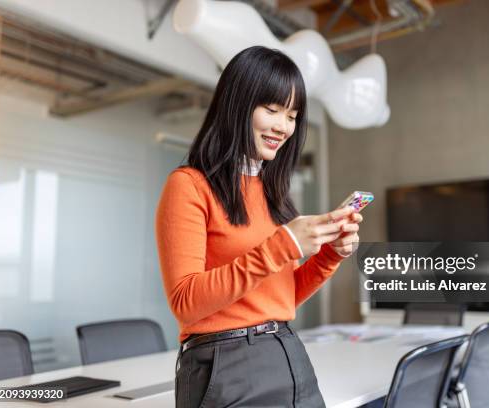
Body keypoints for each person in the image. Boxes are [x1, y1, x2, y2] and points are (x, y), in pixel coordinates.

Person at [155, 45, 362, 408]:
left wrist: (328, 254)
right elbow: (185, 302)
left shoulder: (272, 193)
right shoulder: (188, 185)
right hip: (225, 363)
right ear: (238, 104)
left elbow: (278, 296)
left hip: (287, 351)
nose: (283, 127)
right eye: (272, 110)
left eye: (293, 115)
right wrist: (283, 245)